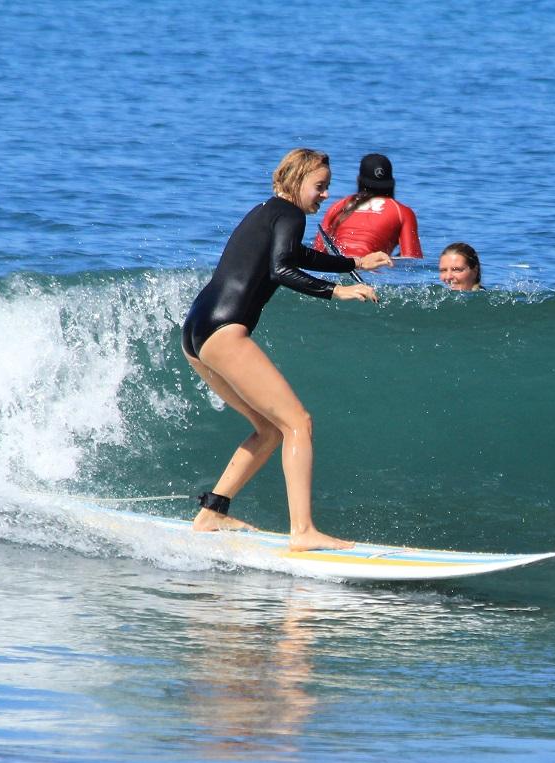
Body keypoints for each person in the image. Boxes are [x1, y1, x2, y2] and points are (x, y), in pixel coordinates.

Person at [181, 147, 392, 550]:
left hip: (196, 331)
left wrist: (355, 262)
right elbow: (283, 269)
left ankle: (212, 512)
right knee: (299, 423)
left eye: (328, 187)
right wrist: (339, 292)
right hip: (226, 331)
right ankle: (304, 532)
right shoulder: (291, 214)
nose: (326, 194)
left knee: (268, 430)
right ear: (296, 182)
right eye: (320, 186)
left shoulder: (267, 212)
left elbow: (294, 254)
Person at [315, 153, 422, 259]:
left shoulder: (338, 205)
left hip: (338, 265)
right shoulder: (402, 211)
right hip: (371, 270)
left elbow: (318, 250)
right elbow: (411, 259)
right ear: (392, 183)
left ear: (358, 180)